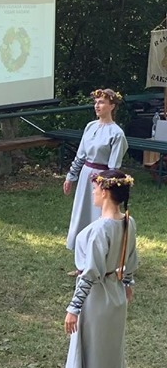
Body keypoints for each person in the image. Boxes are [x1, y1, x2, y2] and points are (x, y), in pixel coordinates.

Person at [60, 170, 137, 368]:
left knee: (94, 355)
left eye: (95, 189)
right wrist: (126, 283)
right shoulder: (128, 221)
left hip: (97, 299)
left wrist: (74, 307)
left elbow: (90, 273)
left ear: (104, 192)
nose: (93, 192)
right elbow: (130, 261)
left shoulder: (100, 229)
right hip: (115, 297)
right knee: (107, 354)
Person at [63, 89, 128, 261]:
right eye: (96, 102)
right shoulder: (90, 126)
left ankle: (98, 260)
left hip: (102, 179)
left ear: (112, 106)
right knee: (81, 215)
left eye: (101, 102)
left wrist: (106, 186)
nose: (97, 106)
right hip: (86, 176)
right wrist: (71, 176)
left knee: (98, 217)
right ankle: (81, 261)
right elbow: (81, 154)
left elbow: (114, 166)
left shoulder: (116, 133)